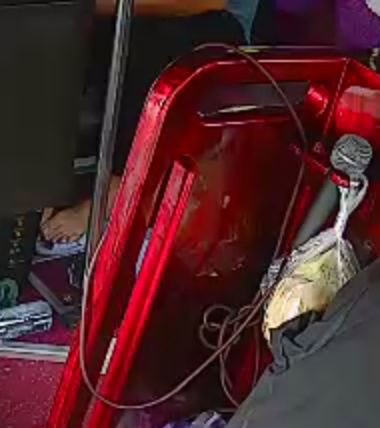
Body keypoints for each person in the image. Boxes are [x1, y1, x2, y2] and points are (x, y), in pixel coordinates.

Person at [38, 0, 257, 248]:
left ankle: (119, 187)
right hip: (130, 16)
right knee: (43, 31)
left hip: (211, 22)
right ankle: (42, 182)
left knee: (154, 38)